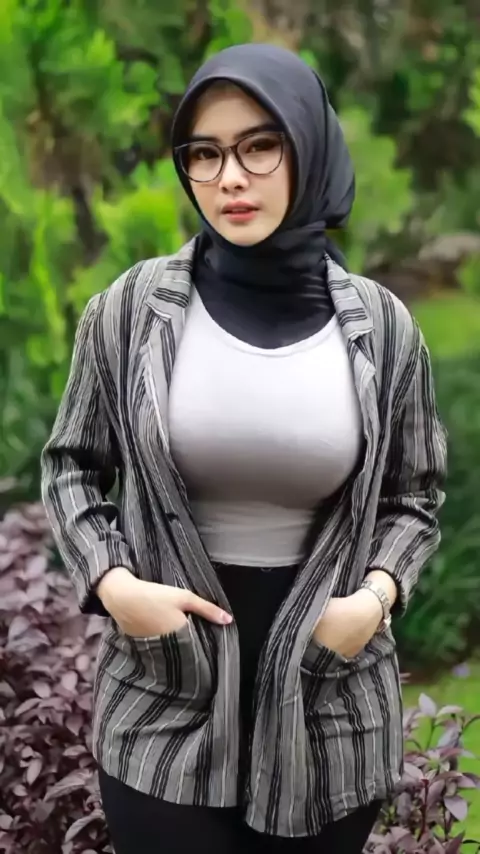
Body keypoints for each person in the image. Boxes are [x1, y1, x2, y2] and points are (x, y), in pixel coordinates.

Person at [40, 43, 447, 854]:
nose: (230, 177)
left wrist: (371, 603)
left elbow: (415, 495)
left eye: (260, 146)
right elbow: (71, 467)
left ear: (310, 147)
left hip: (329, 706)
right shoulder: (129, 311)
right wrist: (116, 587)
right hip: (165, 698)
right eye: (205, 153)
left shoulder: (382, 327)